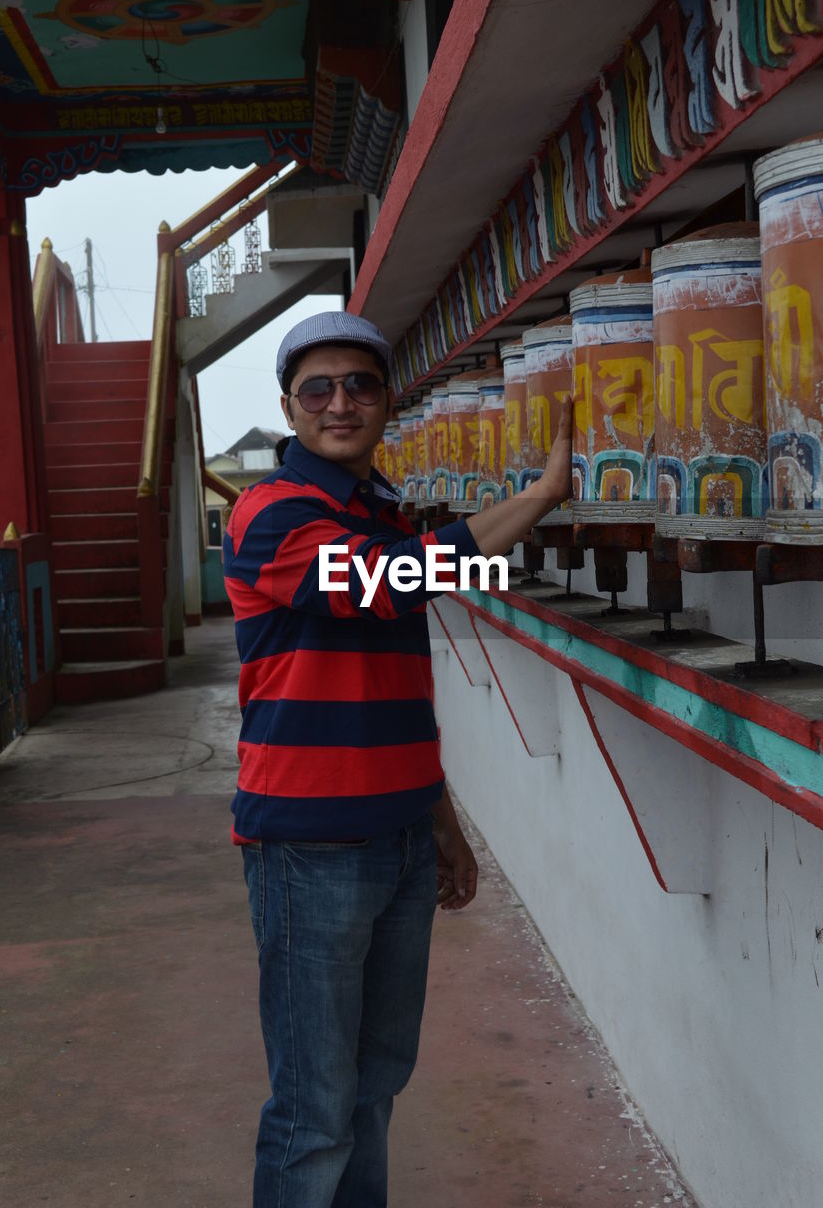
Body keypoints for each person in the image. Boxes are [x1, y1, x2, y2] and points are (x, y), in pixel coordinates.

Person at [224, 310, 573, 1207]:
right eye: (320, 389)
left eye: (361, 385)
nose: (342, 403)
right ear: (291, 410)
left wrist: (442, 827)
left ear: (384, 401)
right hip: (311, 851)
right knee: (314, 1112)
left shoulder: (380, 513)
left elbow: (399, 698)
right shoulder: (271, 515)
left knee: (375, 1088)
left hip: (400, 842)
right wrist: (540, 497)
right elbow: (397, 580)